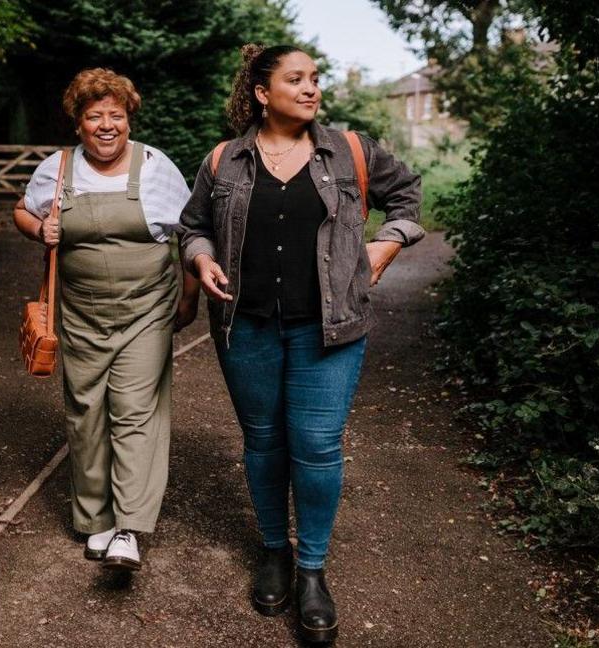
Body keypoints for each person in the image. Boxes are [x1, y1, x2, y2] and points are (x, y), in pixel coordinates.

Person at [179, 44, 424, 643]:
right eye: (296, 80)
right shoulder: (225, 159)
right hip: (247, 325)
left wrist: (385, 244)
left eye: (316, 78)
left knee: (315, 445)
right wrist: (201, 256)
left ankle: (312, 569)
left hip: (330, 327)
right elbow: (192, 224)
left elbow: (408, 197)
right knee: (263, 441)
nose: (312, 88)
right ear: (263, 93)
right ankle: (273, 550)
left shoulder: (351, 150)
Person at [14, 68, 199, 572]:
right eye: (94, 116)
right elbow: (23, 212)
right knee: (86, 410)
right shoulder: (57, 167)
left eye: (115, 115)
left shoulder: (157, 167)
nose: (106, 125)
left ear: (129, 119)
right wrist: (40, 228)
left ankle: (128, 527)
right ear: (78, 124)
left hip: (145, 310)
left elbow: (188, 235)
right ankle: (95, 518)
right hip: (79, 312)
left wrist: (190, 295)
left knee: (134, 410)